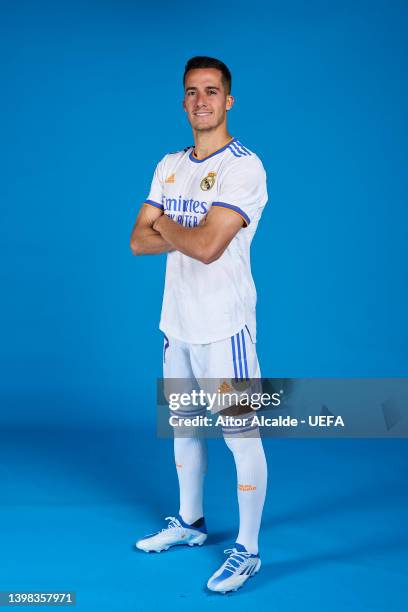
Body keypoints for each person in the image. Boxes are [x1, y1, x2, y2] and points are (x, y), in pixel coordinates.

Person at [130, 56, 268, 594]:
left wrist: (163, 219)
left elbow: (210, 248)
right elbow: (138, 242)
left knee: (241, 435)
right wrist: (180, 226)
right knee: (184, 428)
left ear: (228, 100)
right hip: (177, 324)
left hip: (225, 328)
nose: (202, 100)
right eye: (192, 92)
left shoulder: (244, 167)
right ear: (184, 101)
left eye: (212, 91)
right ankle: (191, 523)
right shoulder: (169, 164)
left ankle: (249, 549)